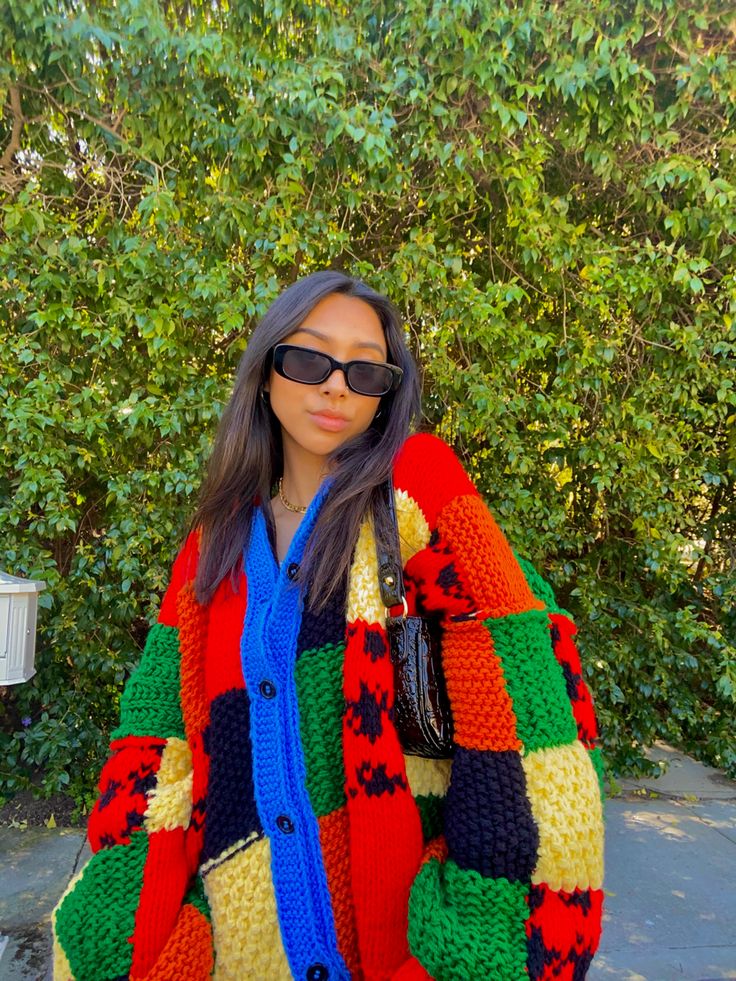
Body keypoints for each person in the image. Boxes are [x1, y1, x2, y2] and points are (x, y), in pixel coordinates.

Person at [52, 270, 605, 980]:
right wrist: (135, 926)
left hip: (400, 947)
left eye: (365, 368)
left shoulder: (418, 495)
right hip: (243, 952)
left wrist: (472, 948)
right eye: (310, 358)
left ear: (386, 392)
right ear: (265, 372)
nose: (336, 384)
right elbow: (154, 747)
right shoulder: (212, 547)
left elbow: (531, 734)